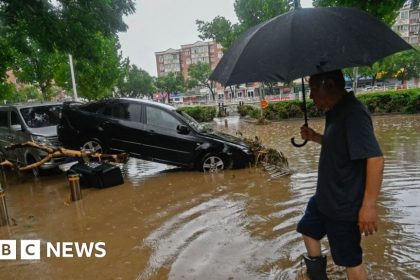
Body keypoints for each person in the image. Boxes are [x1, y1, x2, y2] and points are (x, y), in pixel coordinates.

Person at [297, 70, 384, 280]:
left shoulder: (354, 113)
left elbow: (375, 159)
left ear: (329, 86)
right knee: (308, 230)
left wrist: (368, 206)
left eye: (313, 90)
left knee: (350, 262)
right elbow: (342, 146)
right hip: (325, 199)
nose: (310, 97)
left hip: (343, 206)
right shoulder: (336, 111)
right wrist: (317, 137)